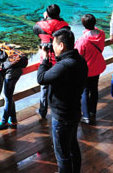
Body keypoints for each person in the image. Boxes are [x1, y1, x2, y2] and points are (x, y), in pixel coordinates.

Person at [37, 28, 87, 173]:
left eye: (54, 43)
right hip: (74, 111)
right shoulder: (79, 60)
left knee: (62, 154)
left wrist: (44, 59)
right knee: (72, 146)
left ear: (61, 46)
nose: (52, 46)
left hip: (62, 115)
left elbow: (41, 78)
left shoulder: (64, 66)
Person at [33, 4, 70, 119]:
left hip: (45, 57)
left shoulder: (39, 25)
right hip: (60, 58)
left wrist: (45, 19)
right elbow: (66, 33)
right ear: (58, 14)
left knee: (44, 86)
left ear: (47, 14)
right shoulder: (64, 26)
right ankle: (59, 109)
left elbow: (36, 31)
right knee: (60, 85)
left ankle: (43, 110)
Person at [74, 14, 105, 124]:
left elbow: (77, 55)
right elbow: (96, 32)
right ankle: (92, 112)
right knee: (94, 89)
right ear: (94, 23)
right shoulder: (101, 34)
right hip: (97, 66)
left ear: (83, 25)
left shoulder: (82, 41)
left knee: (85, 91)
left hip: (86, 70)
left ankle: (86, 116)